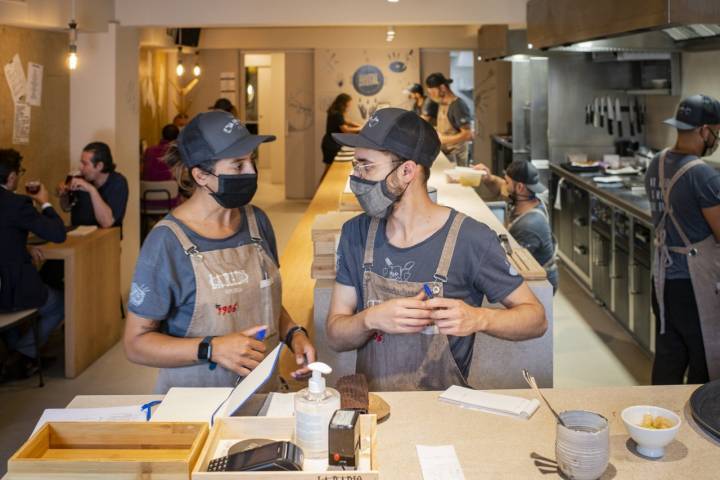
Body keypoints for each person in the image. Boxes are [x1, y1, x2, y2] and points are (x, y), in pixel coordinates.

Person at [325, 108, 547, 392]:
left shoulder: (470, 239)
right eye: (355, 166)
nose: (356, 177)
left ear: (407, 171)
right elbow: (335, 335)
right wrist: (370, 319)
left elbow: (536, 319)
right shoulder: (355, 234)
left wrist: (480, 318)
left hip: (443, 416)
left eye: (366, 166)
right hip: (373, 415)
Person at [123, 111, 317, 393]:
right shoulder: (166, 243)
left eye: (252, 160)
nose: (251, 172)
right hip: (195, 408)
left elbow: (264, 297)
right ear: (201, 175)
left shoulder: (257, 222)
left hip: (262, 392)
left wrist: (293, 333)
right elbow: (136, 344)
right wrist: (211, 348)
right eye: (238, 165)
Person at [645, 94, 720, 385]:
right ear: (703, 131)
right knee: (704, 363)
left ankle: (659, 421)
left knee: (668, 359)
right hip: (694, 286)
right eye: (716, 131)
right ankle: (697, 426)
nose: (716, 139)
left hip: (663, 281)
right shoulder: (703, 175)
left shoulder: (657, 162)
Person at [0, 149, 66, 380]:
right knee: (60, 303)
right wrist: (46, 203)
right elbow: (58, 234)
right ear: (11, 177)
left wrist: (23, 247)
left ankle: (15, 354)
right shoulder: (17, 204)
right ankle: (22, 354)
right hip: (10, 291)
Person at [474, 161, 558, 293]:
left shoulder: (529, 224)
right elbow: (500, 185)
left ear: (519, 187)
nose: (504, 185)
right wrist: (488, 178)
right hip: (523, 264)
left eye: (507, 182)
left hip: (539, 283)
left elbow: (509, 263)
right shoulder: (527, 198)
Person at [59, 142, 129, 228]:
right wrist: (64, 195)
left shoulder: (118, 183)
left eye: (85, 164)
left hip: (106, 239)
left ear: (99, 166)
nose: (80, 167)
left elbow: (107, 223)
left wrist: (91, 190)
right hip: (78, 235)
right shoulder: (81, 177)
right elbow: (66, 207)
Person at [425, 72, 474, 167]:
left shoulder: (458, 105)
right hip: (447, 154)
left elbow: (468, 134)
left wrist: (443, 139)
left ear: (443, 88)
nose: (431, 96)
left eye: (433, 92)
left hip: (457, 156)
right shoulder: (442, 103)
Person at [142, 124, 181, 209]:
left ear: (162, 135)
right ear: (178, 137)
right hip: (170, 200)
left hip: (146, 200)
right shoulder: (176, 152)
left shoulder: (149, 150)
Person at [321, 93, 362, 168]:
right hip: (331, 145)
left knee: (329, 168)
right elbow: (346, 130)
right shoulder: (337, 114)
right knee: (329, 169)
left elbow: (347, 121)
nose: (349, 107)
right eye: (348, 104)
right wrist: (360, 129)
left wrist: (359, 126)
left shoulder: (335, 112)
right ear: (343, 103)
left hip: (329, 142)